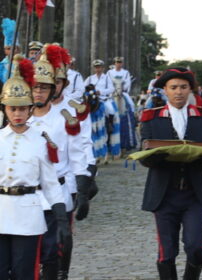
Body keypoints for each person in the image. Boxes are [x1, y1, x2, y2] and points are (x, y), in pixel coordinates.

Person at [140, 67, 202, 279]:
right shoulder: (150, 117)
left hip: (193, 194)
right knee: (167, 252)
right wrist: (165, 153)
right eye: (173, 87)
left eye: (184, 87)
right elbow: (144, 158)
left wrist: (201, 153)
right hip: (164, 194)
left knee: (195, 247)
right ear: (164, 90)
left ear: (191, 89)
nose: (179, 92)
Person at [0, 54, 70, 280]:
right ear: (5, 109)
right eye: (13, 108)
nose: (18, 114)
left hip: (28, 216)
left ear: (30, 108)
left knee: (24, 272)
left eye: (22, 108)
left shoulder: (41, 140)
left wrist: (61, 217)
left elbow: (50, 183)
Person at [30, 44, 91, 279]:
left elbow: (78, 154)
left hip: (58, 190)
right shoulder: (13, 118)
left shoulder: (68, 115)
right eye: (36, 87)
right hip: (25, 196)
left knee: (53, 251)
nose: (41, 92)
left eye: (47, 87)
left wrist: (82, 190)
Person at [107, 56, 137, 154]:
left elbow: (128, 83)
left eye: (120, 62)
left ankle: (133, 118)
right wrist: (113, 90)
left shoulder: (125, 72)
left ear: (122, 63)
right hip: (112, 93)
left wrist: (123, 89)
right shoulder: (109, 73)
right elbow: (108, 83)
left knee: (131, 105)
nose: (118, 64)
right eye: (117, 62)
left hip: (123, 92)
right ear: (114, 63)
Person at [0, 18, 20, 83]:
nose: (11, 51)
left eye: (13, 48)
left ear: (18, 49)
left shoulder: (25, 62)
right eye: (8, 49)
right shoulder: (2, 66)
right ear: (5, 50)